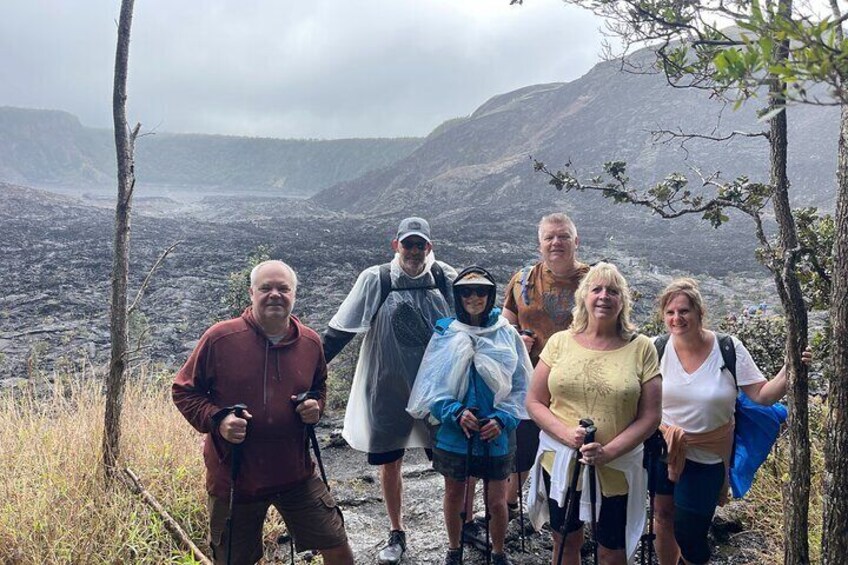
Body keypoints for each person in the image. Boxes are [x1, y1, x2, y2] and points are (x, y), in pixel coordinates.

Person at [172, 260, 353, 565]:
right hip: (235, 478)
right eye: (266, 288)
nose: (275, 295)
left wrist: (315, 407)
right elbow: (183, 390)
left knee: (337, 546)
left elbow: (319, 386)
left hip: (295, 473)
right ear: (251, 292)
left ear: (294, 294)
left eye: (283, 288)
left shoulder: (310, 343)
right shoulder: (220, 338)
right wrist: (218, 420)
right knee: (233, 560)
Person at [322, 217, 457, 564]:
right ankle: (397, 531)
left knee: (451, 459)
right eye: (407, 244)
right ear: (395, 244)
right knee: (390, 459)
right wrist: (308, 370)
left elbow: (472, 321)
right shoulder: (377, 279)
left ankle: (460, 528)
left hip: (437, 389)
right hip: (387, 385)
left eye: (420, 244)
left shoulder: (445, 277)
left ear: (429, 246)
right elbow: (341, 331)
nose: (413, 251)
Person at [652, 278, 811, 565]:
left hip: (708, 455)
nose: (677, 318)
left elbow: (762, 395)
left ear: (700, 312)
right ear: (663, 316)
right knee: (663, 518)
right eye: (670, 312)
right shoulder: (656, 349)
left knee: (690, 533)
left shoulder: (727, 349)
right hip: (662, 449)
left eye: (684, 310)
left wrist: (792, 369)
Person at [525, 262, 662, 565]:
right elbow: (534, 401)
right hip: (561, 463)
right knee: (565, 540)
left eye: (613, 291)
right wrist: (565, 435)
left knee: (611, 550)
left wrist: (609, 451)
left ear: (622, 301)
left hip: (617, 467)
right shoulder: (560, 342)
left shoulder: (641, 348)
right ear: (583, 297)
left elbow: (651, 416)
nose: (604, 296)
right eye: (596, 289)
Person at [407, 266, 532, 565]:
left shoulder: (505, 333)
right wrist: (455, 412)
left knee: (497, 500)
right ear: (457, 295)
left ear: (490, 295)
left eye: (481, 291)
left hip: (497, 432)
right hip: (455, 433)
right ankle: (454, 548)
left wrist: (503, 419)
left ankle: (499, 551)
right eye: (466, 291)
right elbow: (431, 387)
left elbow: (522, 384)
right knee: (454, 494)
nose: (473, 297)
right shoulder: (446, 332)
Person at [502, 213, 590, 520]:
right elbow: (505, 326)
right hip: (531, 379)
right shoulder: (522, 280)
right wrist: (515, 339)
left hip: (578, 382)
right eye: (549, 237)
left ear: (576, 241)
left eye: (563, 236)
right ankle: (510, 503)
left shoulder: (594, 282)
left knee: (573, 442)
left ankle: (571, 507)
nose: (556, 242)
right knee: (523, 445)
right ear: (539, 244)